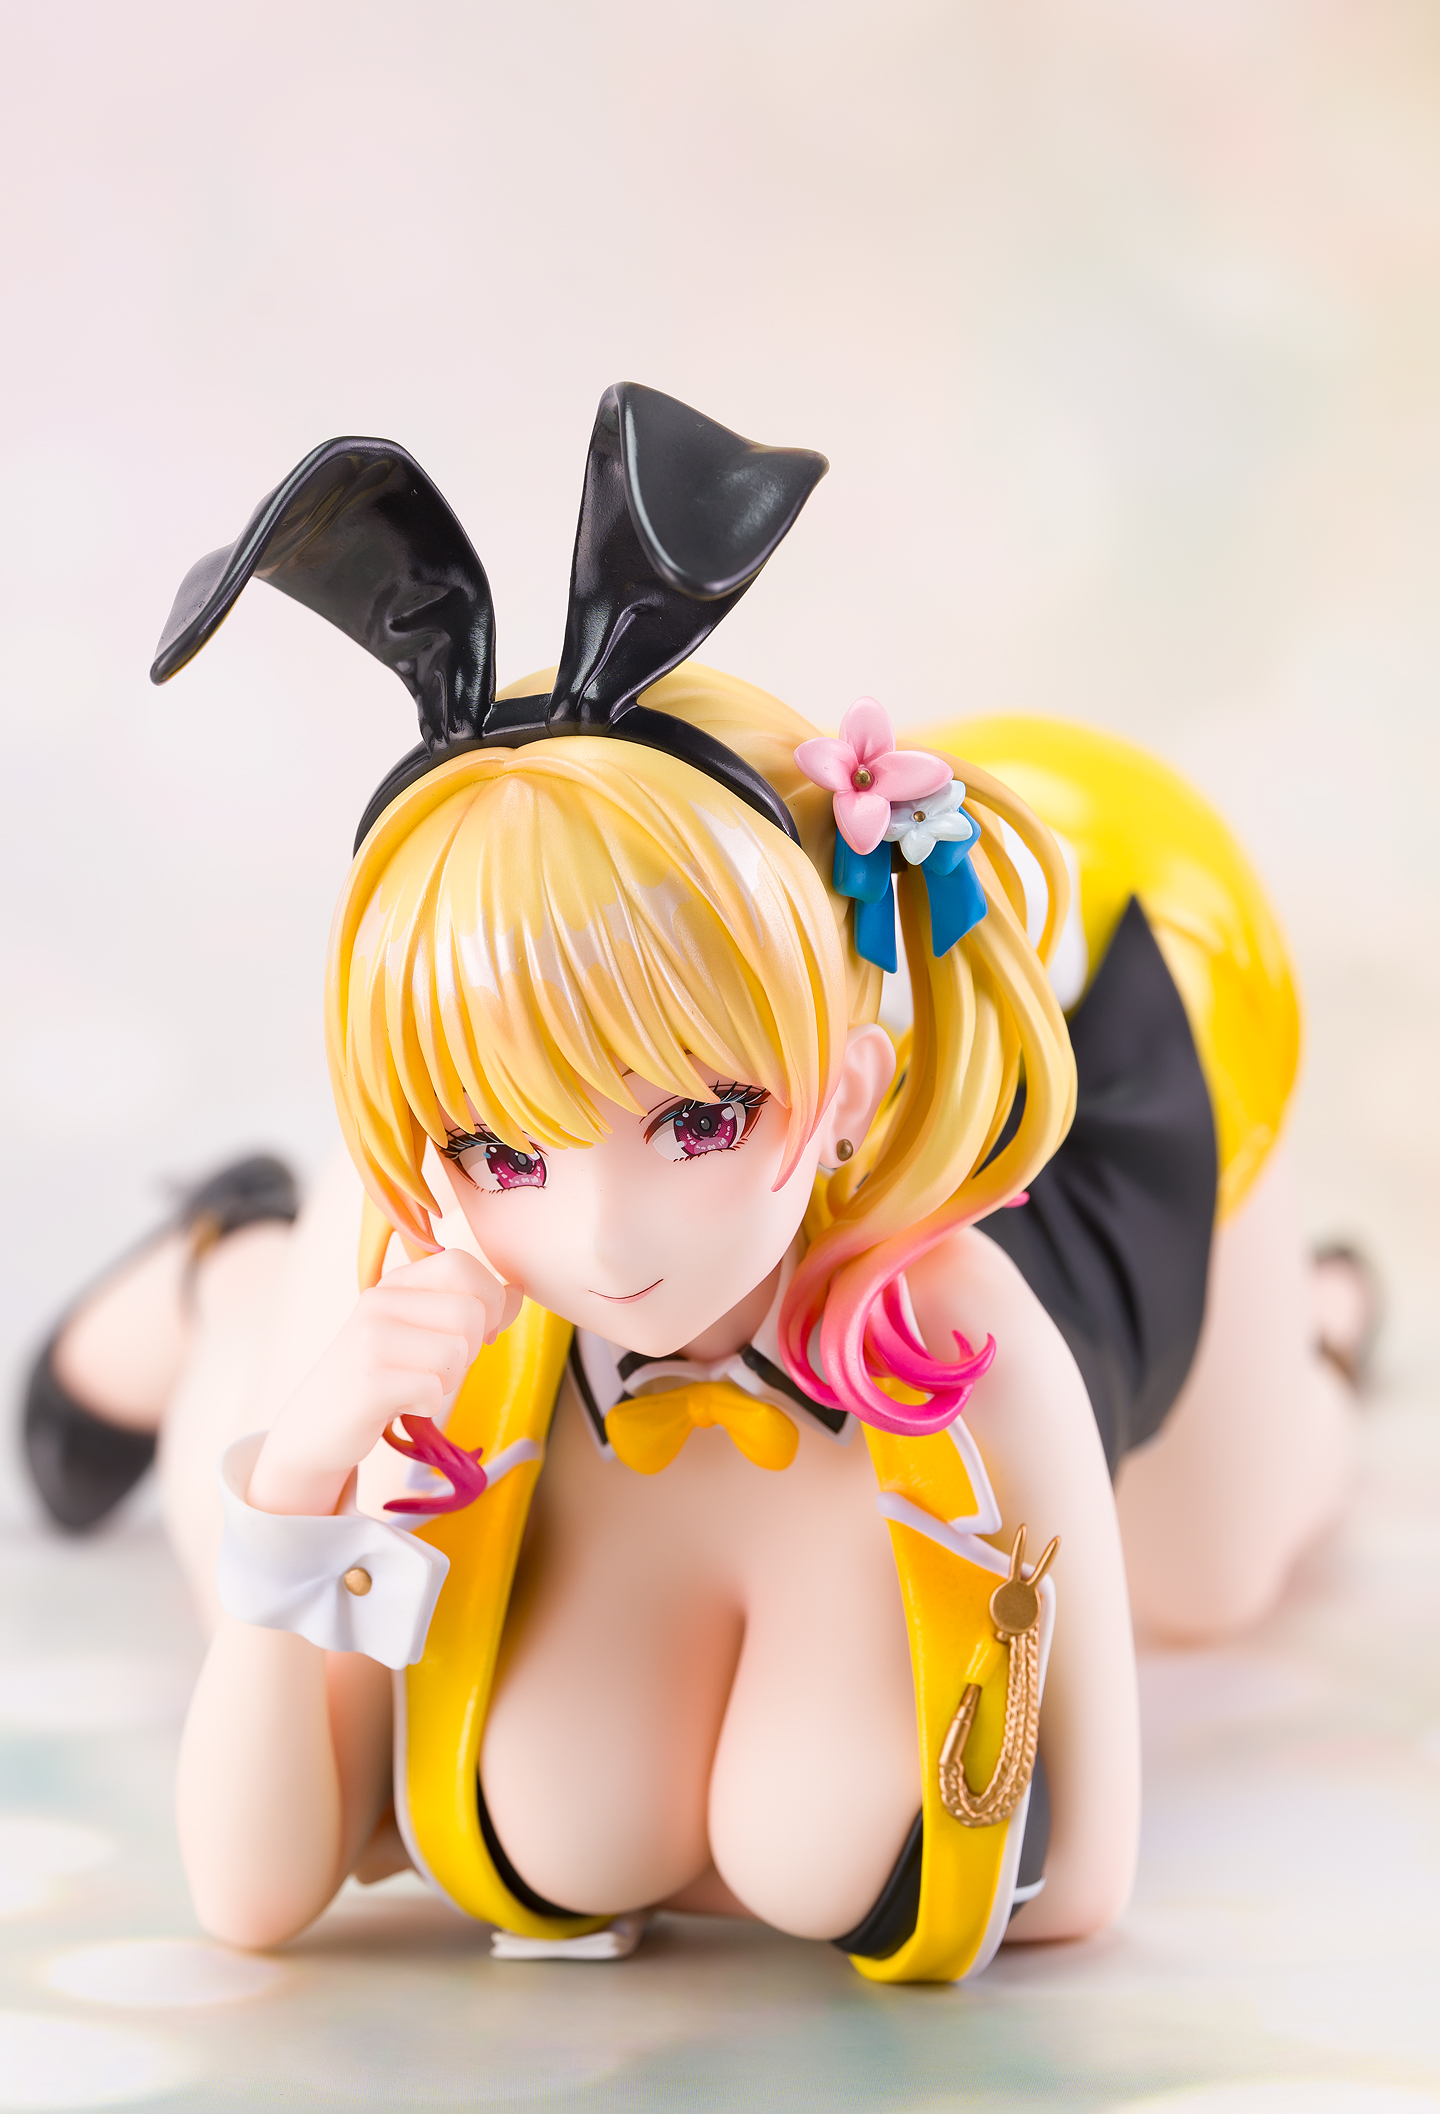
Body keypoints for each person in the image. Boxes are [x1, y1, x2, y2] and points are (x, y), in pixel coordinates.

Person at [19, 387, 1363, 1982]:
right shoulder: (448, 1310)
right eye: (504, 1149)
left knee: (1216, 1568)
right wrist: (304, 1473)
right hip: (465, 1284)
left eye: (706, 1119)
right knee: (246, 1465)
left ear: (845, 1089)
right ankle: (226, 1262)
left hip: (1116, 1010)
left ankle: (1321, 1319)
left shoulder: (983, 1349)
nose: (604, 1232)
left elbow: (1078, 1890)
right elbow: (256, 1897)